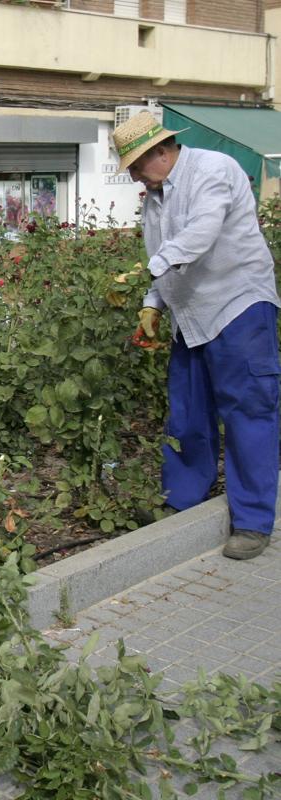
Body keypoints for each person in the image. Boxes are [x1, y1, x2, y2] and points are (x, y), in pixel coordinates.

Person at [115, 111, 280, 560]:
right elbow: (163, 259)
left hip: (238, 304)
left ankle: (252, 521)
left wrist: (141, 274)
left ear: (162, 153)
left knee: (248, 411)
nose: (133, 176)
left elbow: (201, 232)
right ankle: (184, 499)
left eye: (135, 165)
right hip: (190, 315)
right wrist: (152, 303)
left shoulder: (213, 170)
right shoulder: (155, 196)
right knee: (187, 413)